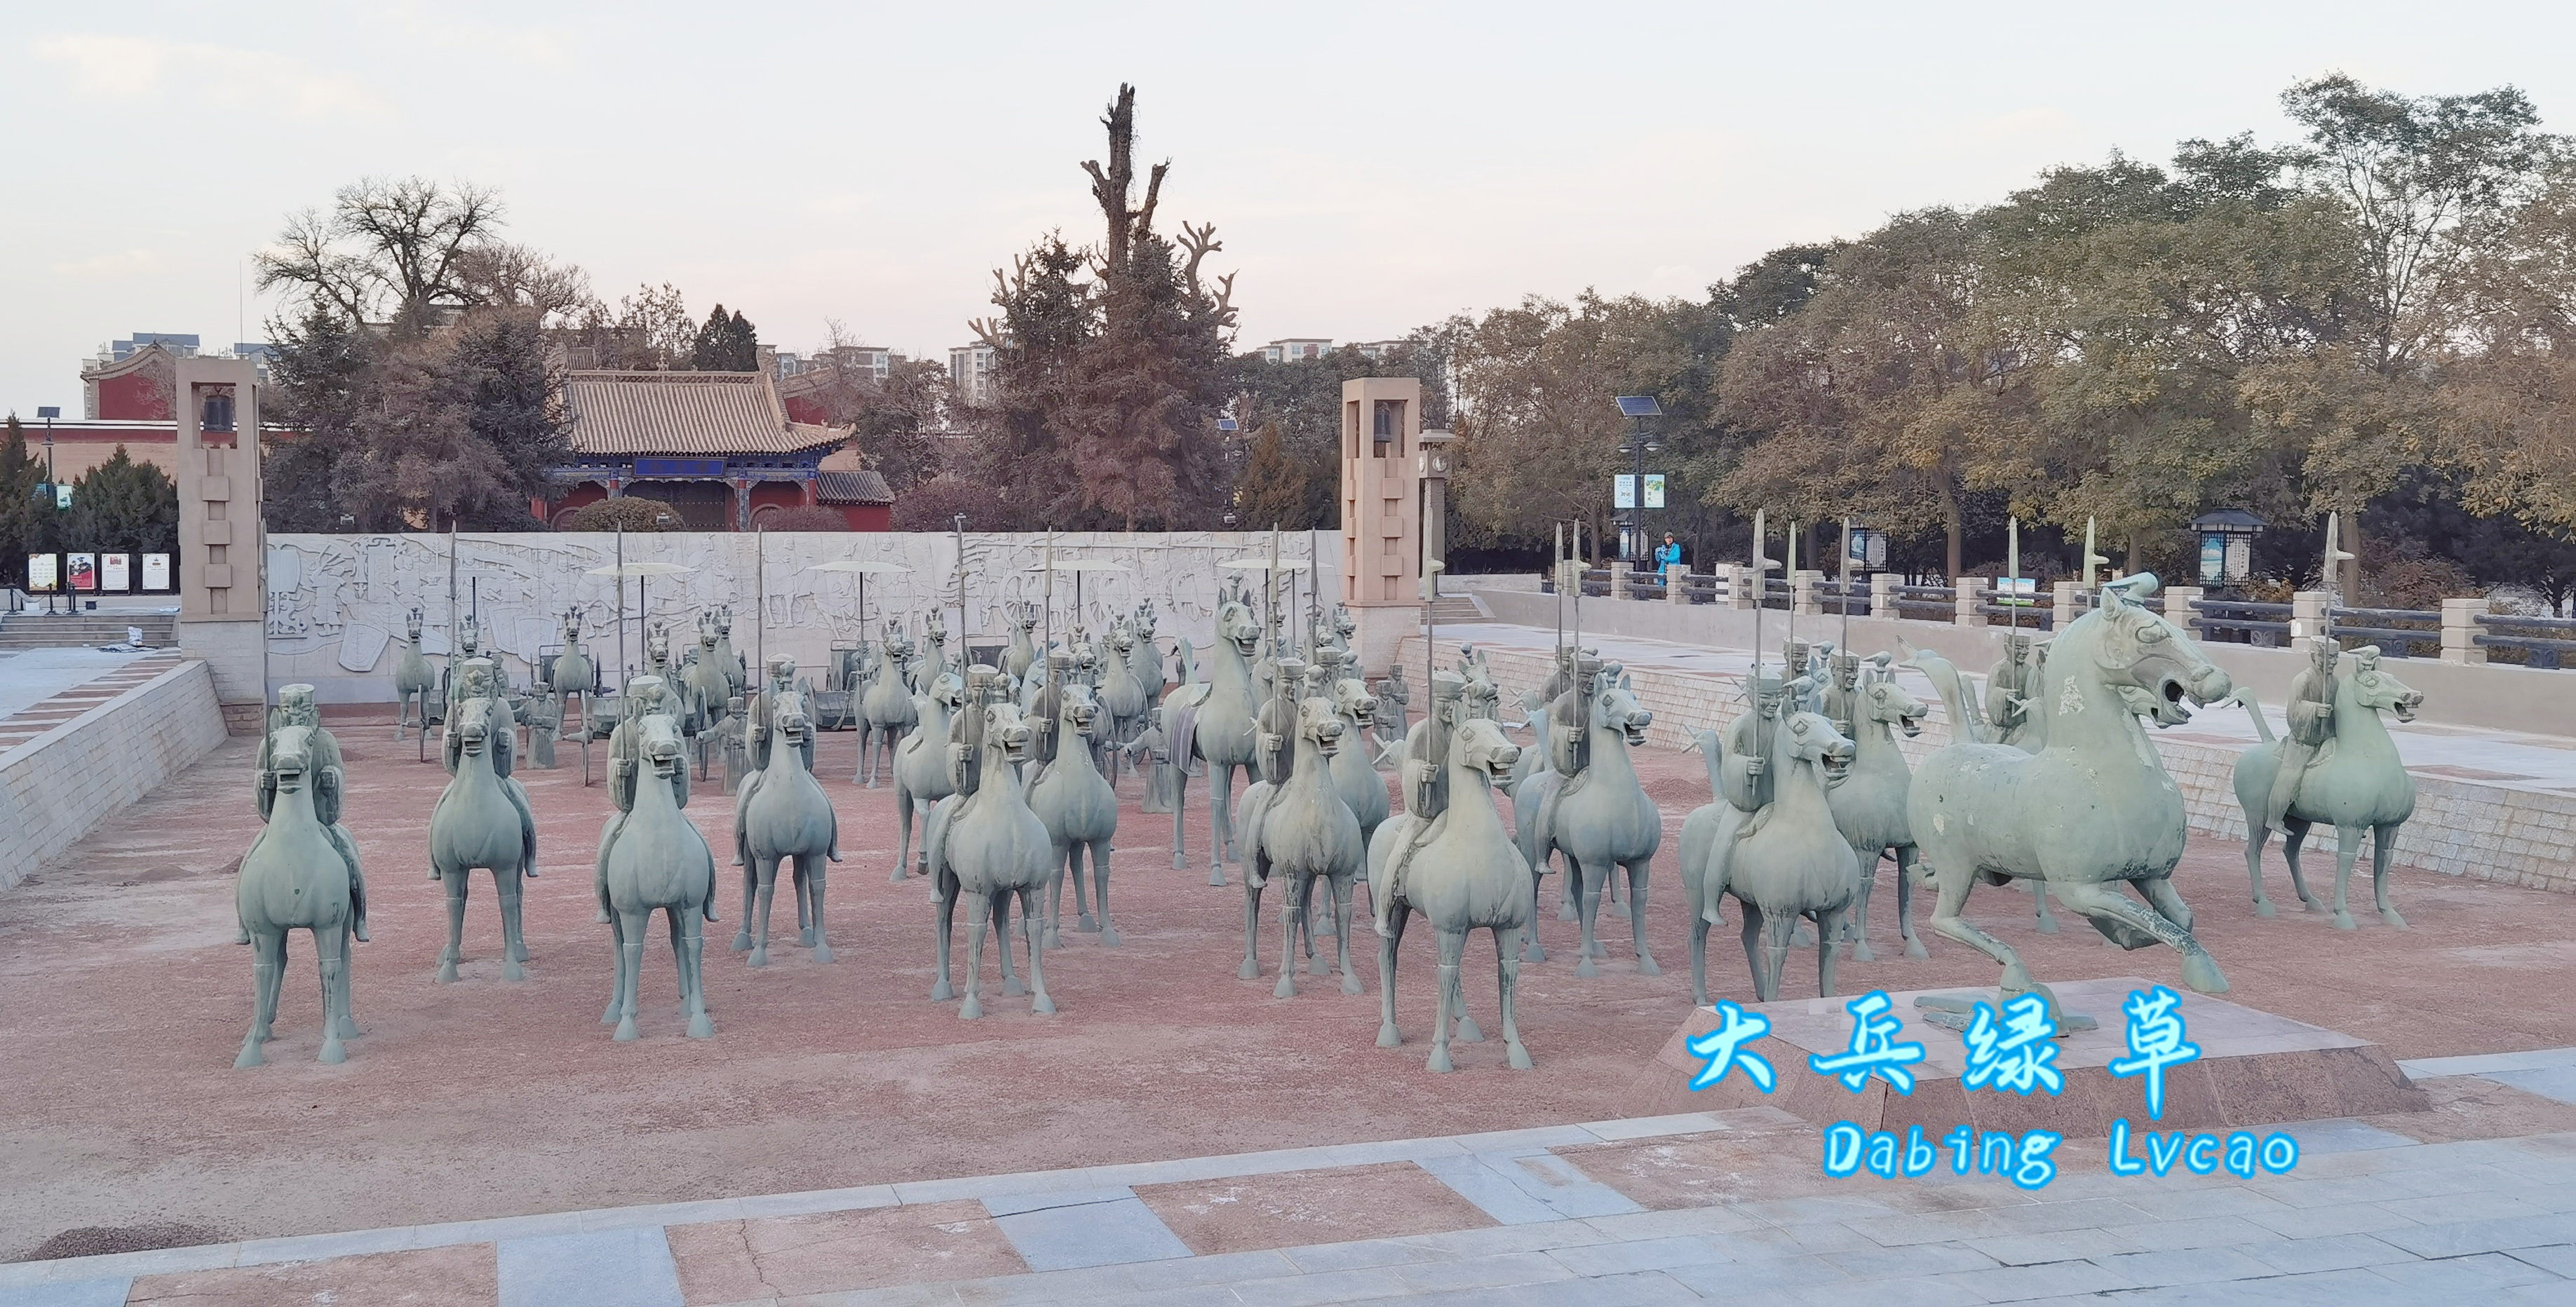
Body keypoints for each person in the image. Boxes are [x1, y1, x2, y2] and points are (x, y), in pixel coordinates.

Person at [250, 684, 367, 943]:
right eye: (289, 708)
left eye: (302, 708)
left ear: (313, 712)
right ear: (280, 712)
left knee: (349, 859)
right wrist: (263, 783)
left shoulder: (325, 741)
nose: (295, 714)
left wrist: (331, 779)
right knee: (250, 862)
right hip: (281, 822)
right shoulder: (269, 744)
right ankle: (245, 916)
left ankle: (360, 915)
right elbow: (260, 774)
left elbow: (339, 772)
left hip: (319, 820)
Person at [2265, 638, 2341, 833]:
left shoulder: (2335, 682)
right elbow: (2293, 711)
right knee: (2292, 775)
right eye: (2329, 657)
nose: (2333, 662)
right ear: (2315, 656)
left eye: (2336, 657)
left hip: (2328, 739)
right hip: (2304, 741)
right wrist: (2315, 710)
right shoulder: (2302, 680)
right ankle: (2275, 817)